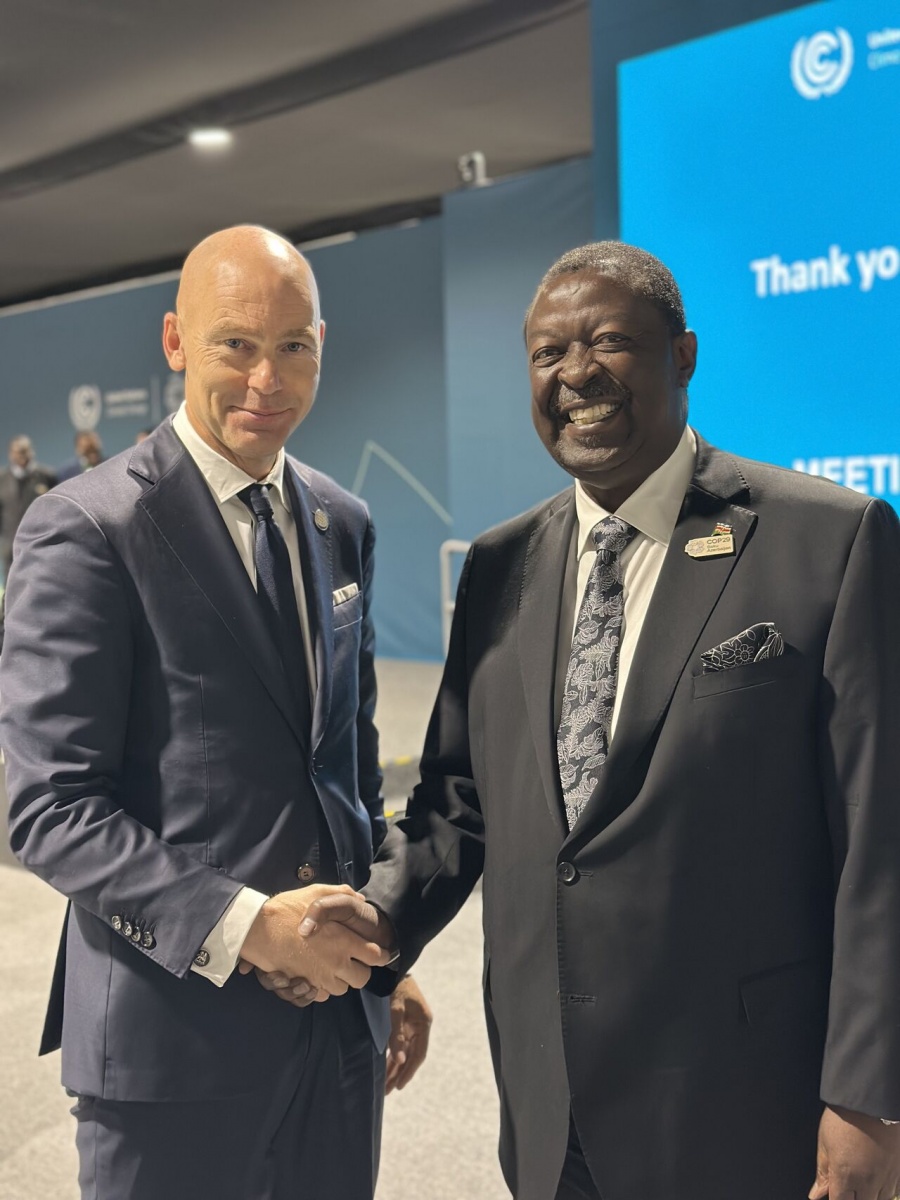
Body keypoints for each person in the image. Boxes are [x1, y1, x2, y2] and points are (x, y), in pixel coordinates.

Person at [286, 242, 900, 1200]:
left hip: (743, 1100)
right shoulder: (500, 566)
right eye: (547, 353)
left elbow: (882, 838)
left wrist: (870, 1097)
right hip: (552, 1098)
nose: (575, 374)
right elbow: (460, 798)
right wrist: (378, 914)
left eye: (609, 341)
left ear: (682, 355)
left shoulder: (828, 539)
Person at [1, 225, 430, 1200]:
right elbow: (51, 809)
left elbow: (348, 772)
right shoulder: (87, 529)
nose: (266, 380)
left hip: (338, 1033)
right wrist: (251, 928)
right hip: (173, 1043)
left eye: (293, 346)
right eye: (236, 343)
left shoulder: (342, 521)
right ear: (175, 341)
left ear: (322, 346)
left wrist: (383, 958)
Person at [0, 436, 56, 580]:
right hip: (10, 546)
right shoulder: (2, 479)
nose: (22, 456)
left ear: (32, 452)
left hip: (40, 542)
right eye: (18, 452)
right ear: (10, 454)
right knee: (12, 586)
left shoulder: (47, 476)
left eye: (25, 451)